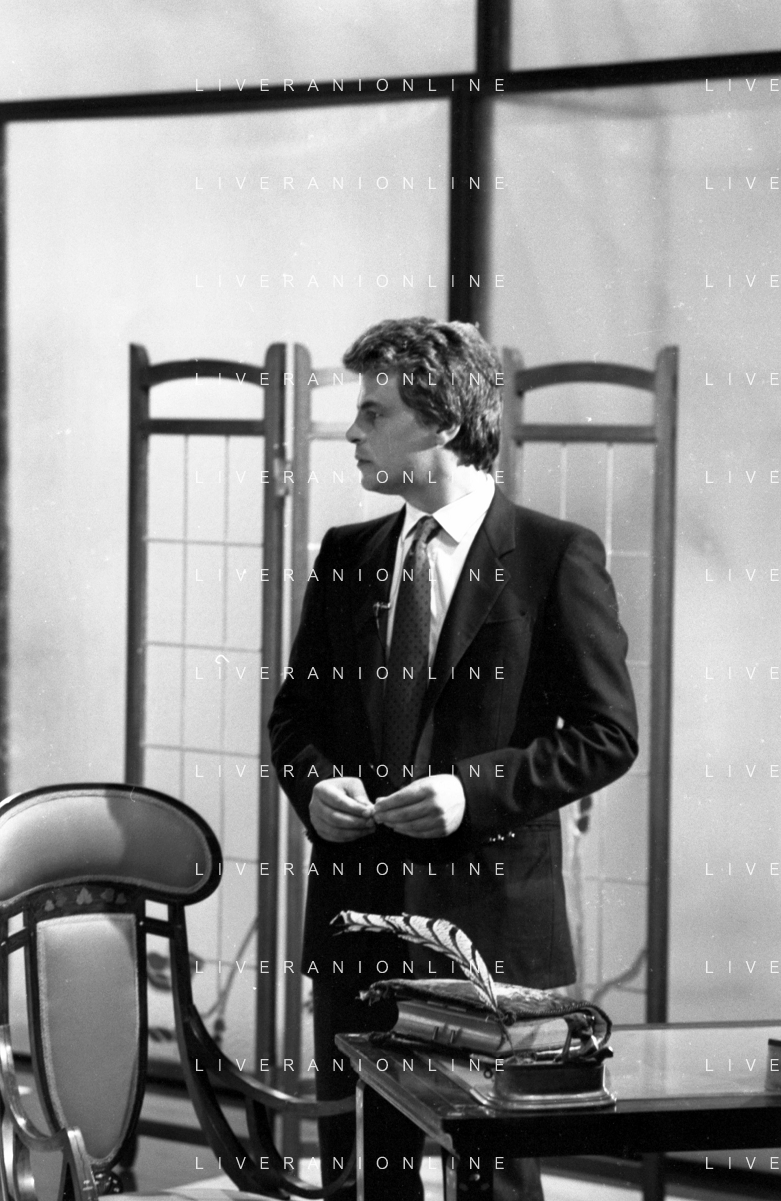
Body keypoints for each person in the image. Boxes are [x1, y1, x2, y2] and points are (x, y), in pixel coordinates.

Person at [268, 317, 638, 1200]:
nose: (351, 432)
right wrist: (313, 788)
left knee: (495, 1181)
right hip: (357, 924)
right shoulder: (346, 554)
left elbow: (606, 733)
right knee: (368, 1177)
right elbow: (294, 718)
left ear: (439, 421)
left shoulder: (553, 557)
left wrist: (471, 791)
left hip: (491, 936)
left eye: (373, 412)